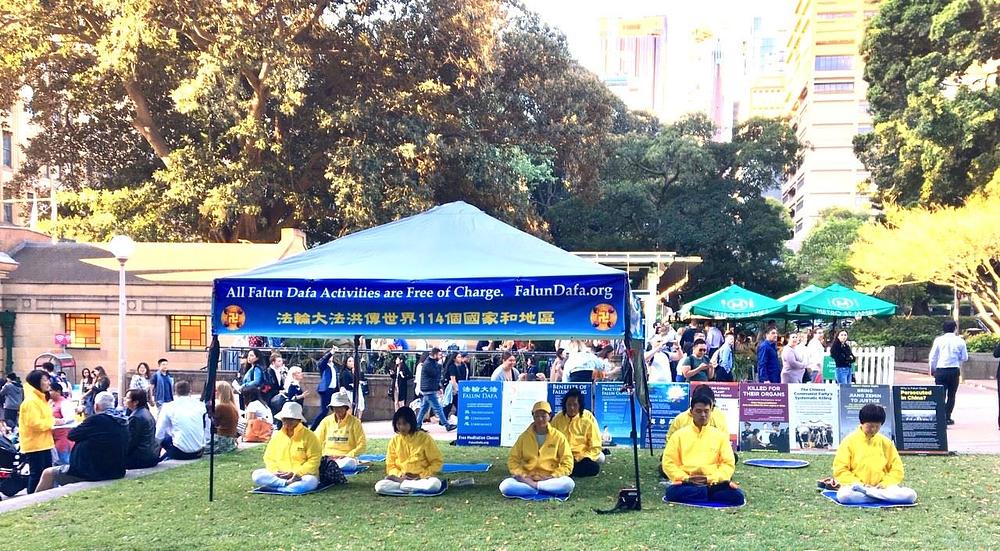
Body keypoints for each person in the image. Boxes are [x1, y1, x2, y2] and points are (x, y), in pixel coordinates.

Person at [662, 392, 745, 506]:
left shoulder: (719, 436)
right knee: (671, 492)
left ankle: (703, 493)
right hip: (688, 482)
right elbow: (668, 462)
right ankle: (704, 493)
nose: (703, 415)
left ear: (711, 411)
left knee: (738, 496)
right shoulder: (679, 435)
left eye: (706, 411)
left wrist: (710, 479)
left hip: (714, 483)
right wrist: (686, 478)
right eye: (699, 411)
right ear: (691, 412)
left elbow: (728, 464)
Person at [34, 391, 128, 492]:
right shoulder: (122, 420)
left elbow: (72, 435)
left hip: (92, 471)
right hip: (116, 470)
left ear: (96, 406)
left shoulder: (96, 420)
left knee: (48, 473)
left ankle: (34, 502)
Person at [833, 403, 917, 505]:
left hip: (882, 488)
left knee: (910, 495)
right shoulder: (849, 441)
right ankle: (878, 497)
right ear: (862, 423)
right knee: (844, 497)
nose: (873, 430)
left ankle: (870, 495)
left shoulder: (886, 443)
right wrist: (859, 484)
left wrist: (885, 483)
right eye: (870, 426)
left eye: (877, 426)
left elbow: (897, 469)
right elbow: (840, 470)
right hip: (857, 487)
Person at [499, 401, 576, 499]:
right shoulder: (524, 437)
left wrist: (553, 476)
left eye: (543, 416)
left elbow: (567, 462)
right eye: (537, 416)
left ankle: (535, 488)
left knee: (568, 484)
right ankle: (540, 488)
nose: (540, 419)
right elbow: (513, 460)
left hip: (549, 480)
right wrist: (522, 475)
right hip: (527, 479)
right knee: (505, 486)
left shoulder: (559, 437)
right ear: (533, 416)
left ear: (550, 416)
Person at [251, 402, 322, 494]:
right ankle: (285, 484)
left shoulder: (310, 436)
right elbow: (269, 457)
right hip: (279, 474)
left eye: (291, 419)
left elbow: (314, 460)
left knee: (309, 481)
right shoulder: (277, 436)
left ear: (298, 420)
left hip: (302, 476)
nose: (287, 422)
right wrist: (275, 471)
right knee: (257, 475)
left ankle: (278, 487)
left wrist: (296, 473)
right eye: (285, 419)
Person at [375, 407, 445, 496]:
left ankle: (406, 487)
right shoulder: (394, 440)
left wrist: (420, 476)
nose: (401, 427)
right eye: (398, 424)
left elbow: (437, 462)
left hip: (422, 479)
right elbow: (390, 465)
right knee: (380, 486)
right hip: (400, 479)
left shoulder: (424, 438)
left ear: (411, 422)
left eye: (404, 423)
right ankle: (411, 487)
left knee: (434, 485)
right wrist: (400, 475)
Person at [19, 370, 67, 493]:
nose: (48, 383)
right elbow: (35, 423)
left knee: (46, 473)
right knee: (37, 474)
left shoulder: (41, 399)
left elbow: (44, 419)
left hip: (44, 442)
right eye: (45, 380)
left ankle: (43, 497)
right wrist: (53, 423)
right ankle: (32, 499)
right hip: (35, 444)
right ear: (37, 382)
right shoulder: (31, 401)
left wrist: (54, 421)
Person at [550, 389, 604, 477]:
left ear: (580, 406)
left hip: (581, 457)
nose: (571, 408)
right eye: (569, 405)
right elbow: (550, 440)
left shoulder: (587, 421)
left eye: (575, 405)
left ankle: (567, 471)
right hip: (561, 456)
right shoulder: (557, 419)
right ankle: (567, 470)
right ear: (564, 405)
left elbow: (595, 445)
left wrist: (582, 457)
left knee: (594, 467)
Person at [928, 320, 968, 426]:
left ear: (943, 329)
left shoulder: (938, 340)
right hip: (954, 370)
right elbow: (965, 357)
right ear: (955, 328)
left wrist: (932, 369)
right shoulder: (960, 341)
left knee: (940, 395)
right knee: (951, 395)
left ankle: (940, 417)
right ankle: (947, 417)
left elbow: (933, 357)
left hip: (941, 370)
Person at [315, 389, 366, 471]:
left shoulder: (355, 422)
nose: (338, 409)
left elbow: (362, 445)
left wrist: (348, 455)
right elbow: (316, 441)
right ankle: (329, 466)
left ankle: (329, 467)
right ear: (332, 408)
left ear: (346, 407)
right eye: (335, 407)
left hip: (346, 458)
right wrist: (325, 456)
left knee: (350, 464)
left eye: (341, 407)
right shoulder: (326, 421)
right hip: (328, 457)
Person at [155, 380, 206, 461]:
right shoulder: (200, 405)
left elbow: (158, 433)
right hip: (199, 451)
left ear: (175, 392)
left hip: (180, 452)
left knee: (163, 436)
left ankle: (157, 458)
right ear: (190, 391)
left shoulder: (168, 407)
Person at [416, 348, 456, 431]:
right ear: (434, 355)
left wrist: (438, 387)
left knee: (423, 409)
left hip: (429, 389)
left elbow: (435, 377)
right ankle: (447, 425)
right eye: (439, 355)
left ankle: (417, 426)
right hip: (429, 389)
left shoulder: (431, 363)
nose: (441, 357)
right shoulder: (429, 364)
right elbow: (435, 374)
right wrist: (440, 365)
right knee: (438, 408)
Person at [124, 389, 160, 469]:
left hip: (141, 458)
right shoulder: (146, 412)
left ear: (135, 402)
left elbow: (131, 441)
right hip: (152, 455)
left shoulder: (135, 417)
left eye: (127, 398)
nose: (125, 400)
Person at [310, 347, 339, 430]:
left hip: (334, 390)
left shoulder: (334, 367)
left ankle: (336, 427)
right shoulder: (324, 366)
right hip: (326, 391)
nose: (331, 357)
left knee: (336, 410)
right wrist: (331, 352)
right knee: (324, 411)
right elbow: (321, 362)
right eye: (330, 355)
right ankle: (313, 428)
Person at [49, 382, 76, 465]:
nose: (48, 392)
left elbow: (70, 418)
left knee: (64, 461)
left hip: (63, 438)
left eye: (51, 390)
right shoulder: (50, 403)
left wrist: (61, 421)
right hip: (52, 438)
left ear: (58, 391)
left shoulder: (65, 403)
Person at [210, 381, 240, 454]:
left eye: (216, 391)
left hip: (222, 440)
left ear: (221, 392)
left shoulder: (221, 407)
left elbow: (213, 423)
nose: (214, 393)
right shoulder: (232, 406)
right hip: (230, 440)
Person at [443, 351, 471, 419]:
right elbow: (453, 380)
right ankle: (444, 419)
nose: (460, 358)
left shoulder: (462, 366)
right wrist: (457, 389)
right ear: (454, 359)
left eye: (460, 357)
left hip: (458, 387)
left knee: (454, 404)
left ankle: (446, 418)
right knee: (450, 403)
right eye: (458, 357)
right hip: (453, 388)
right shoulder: (452, 367)